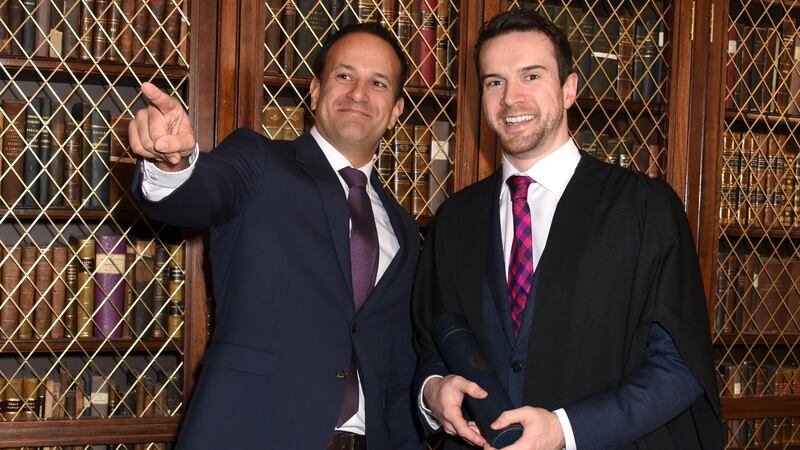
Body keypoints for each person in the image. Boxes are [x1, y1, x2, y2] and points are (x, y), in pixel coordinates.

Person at [412, 9, 723, 450]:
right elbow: (429, 342)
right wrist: (434, 390)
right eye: (494, 81)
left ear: (569, 89)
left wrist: (566, 429)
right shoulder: (455, 220)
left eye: (531, 76)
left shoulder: (644, 209)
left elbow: (680, 364)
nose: (510, 98)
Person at [128, 22, 425, 449]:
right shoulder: (258, 163)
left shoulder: (404, 228)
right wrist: (174, 164)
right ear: (315, 92)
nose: (359, 92)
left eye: (377, 83)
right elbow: (207, 188)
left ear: (397, 110)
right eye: (344, 75)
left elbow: (397, 358)